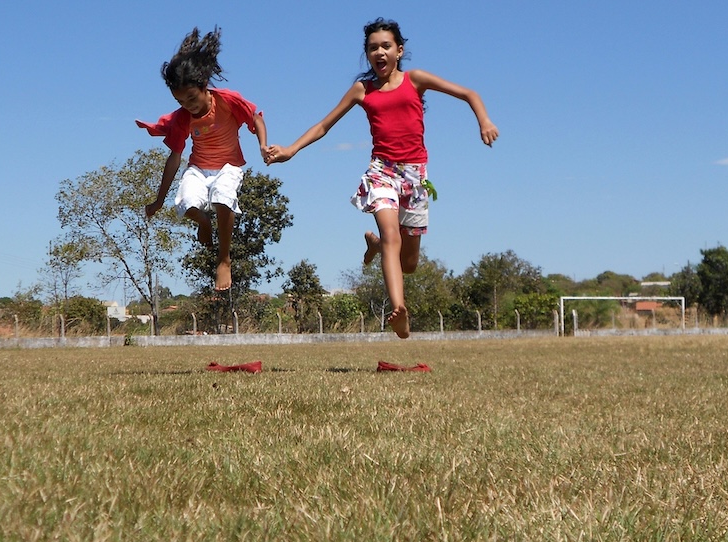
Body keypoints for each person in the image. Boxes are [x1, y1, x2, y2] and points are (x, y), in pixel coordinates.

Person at [263, 18, 498, 338]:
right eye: (373, 48)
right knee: (392, 236)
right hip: (382, 171)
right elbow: (323, 126)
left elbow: (469, 93)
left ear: (399, 51)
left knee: (411, 263)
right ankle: (399, 309)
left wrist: (483, 120)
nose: (380, 52)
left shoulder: (416, 80)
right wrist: (291, 149)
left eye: (386, 46)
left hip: (415, 176)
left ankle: (374, 247)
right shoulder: (363, 89)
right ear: (368, 54)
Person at [136, 27, 267, 291]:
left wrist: (263, 146)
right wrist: (159, 200)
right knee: (186, 202)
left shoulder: (227, 101)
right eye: (180, 101)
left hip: (229, 166)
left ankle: (224, 259)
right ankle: (204, 222)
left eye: (191, 98)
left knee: (222, 196)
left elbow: (256, 117)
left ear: (204, 86)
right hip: (198, 167)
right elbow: (174, 158)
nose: (188, 105)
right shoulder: (183, 118)